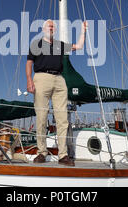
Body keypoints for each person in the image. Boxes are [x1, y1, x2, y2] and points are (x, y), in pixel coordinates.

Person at [26, 19, 87, 166]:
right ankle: (41, 152)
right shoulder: (36, 44)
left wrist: (83, 31)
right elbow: (29, 63)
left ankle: (63, 155)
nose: (51, 27)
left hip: (59, 80)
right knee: (41, 116)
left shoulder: (60, 45)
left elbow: (78, 46)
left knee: (62, 119)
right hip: (41, 78)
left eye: (53, 26)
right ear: (43, 28)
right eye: (49, 25)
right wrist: (29, 80)